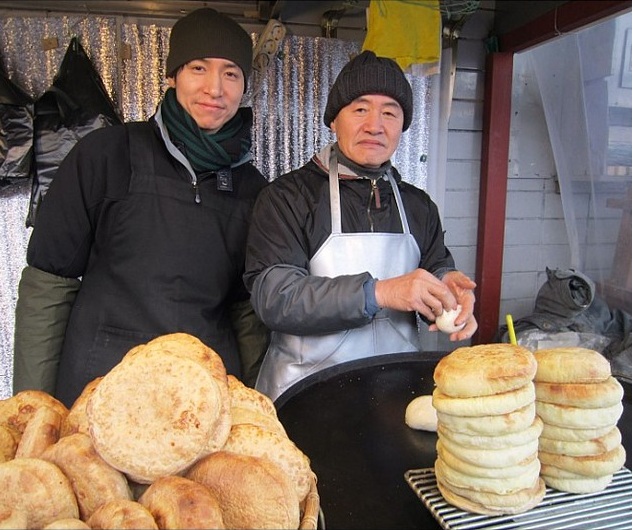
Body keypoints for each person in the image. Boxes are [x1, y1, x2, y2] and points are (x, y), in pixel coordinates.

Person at [13, 7, 269, 408]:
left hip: (200, 400)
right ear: (172, 76)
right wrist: (32, 407)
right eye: (198, 68)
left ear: (244, 86)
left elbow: (246, 314)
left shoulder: (252, 189)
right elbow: (49, 284)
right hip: (99, 391)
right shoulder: (107, 155)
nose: (215, 89)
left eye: (231, 73)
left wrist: (255, 409)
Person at [244, 50, 478, 402]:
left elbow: (434, 265)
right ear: (334, 120)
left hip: (393, 396)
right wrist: (380, 293)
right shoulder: (288, 198)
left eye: (389, 112)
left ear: (403, 125)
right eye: (360, 109)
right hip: (303, 398)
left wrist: (448, 287)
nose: (375, 125)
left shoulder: (418, 206)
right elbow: (276, 298)